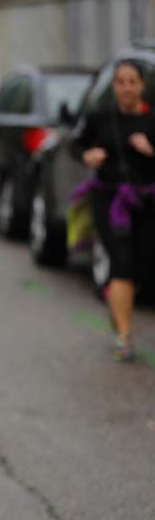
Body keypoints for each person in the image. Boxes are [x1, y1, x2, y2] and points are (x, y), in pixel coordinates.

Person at [72, 59, 155, 362]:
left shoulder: (152, 120)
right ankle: (124, 336)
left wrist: (150, 150)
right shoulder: (101, 119)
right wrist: (88, 154)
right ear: (114, 86)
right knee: (122, 264)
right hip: (109, 200)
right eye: (120, 81)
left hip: (147, 201)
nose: (126, 87)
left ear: (142, 86)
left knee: (142, 266)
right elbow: (76, 144)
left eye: (132, 81)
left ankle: (117, 304)